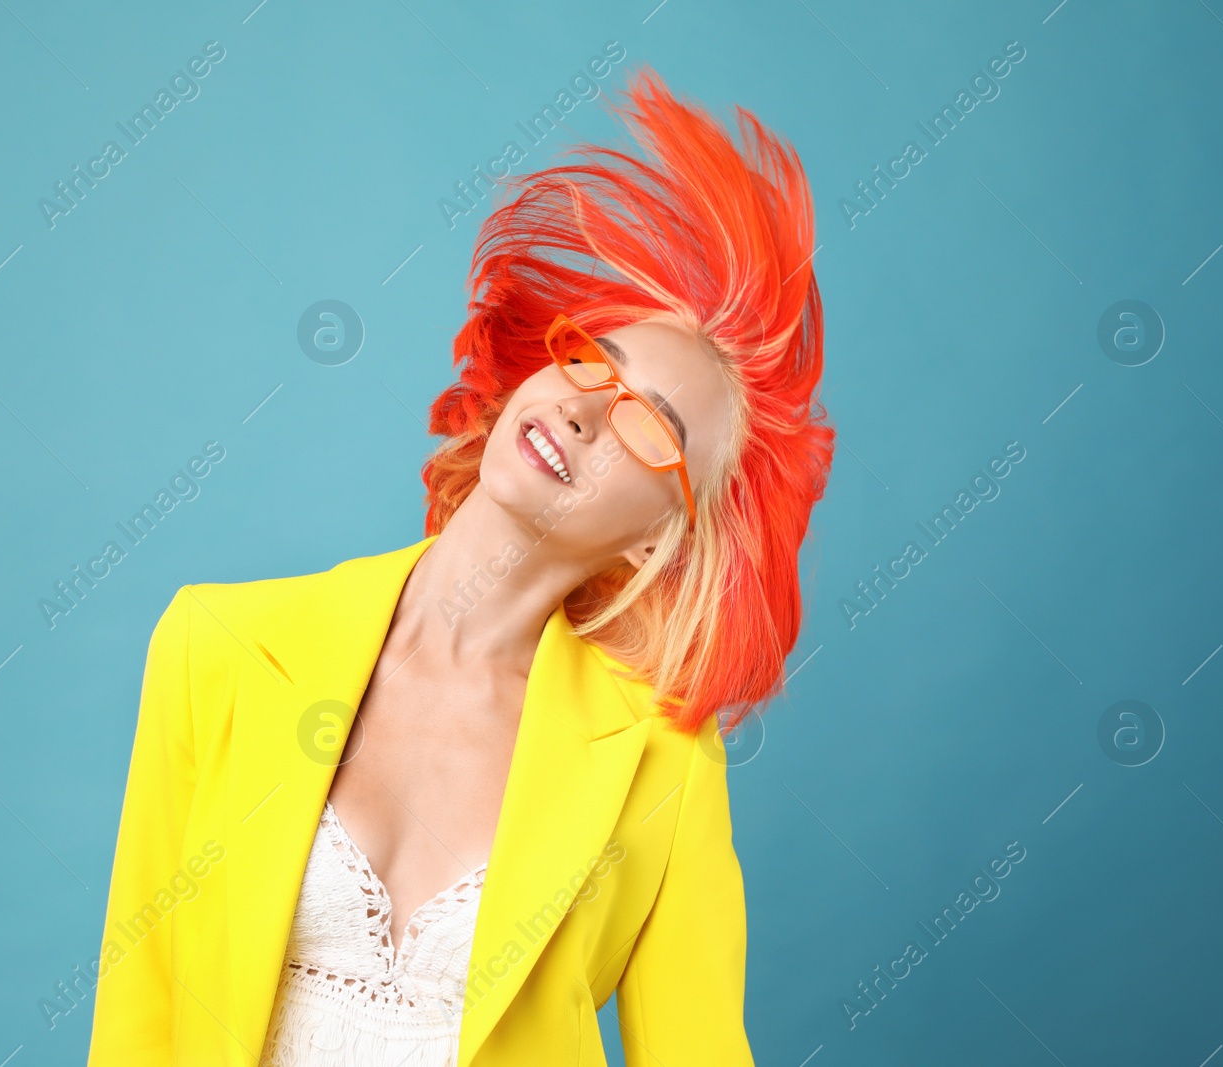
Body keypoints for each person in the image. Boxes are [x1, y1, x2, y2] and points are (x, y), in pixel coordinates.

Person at [85, 66, 833, 1067]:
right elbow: (142, 1011)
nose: (587, 408)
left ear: (657, 537)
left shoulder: (663, 767)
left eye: (649, 425)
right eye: (591, 361)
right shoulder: (219, 645)